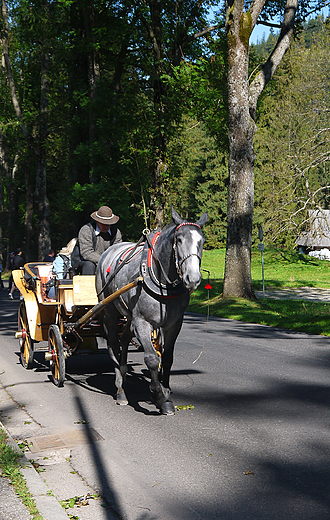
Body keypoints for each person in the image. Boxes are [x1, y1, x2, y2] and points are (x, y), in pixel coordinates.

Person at [72, 205, 122, 275]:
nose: (106, 226)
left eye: (108, 224)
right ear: (97, 221)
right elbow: (86, 253)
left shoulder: (116, 232)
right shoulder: (86, 230)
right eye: (103, 223)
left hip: (108, 261)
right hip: (83, 261)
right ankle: (88, 285)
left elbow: (117, 251)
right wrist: (105, 261)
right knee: (89, 265)